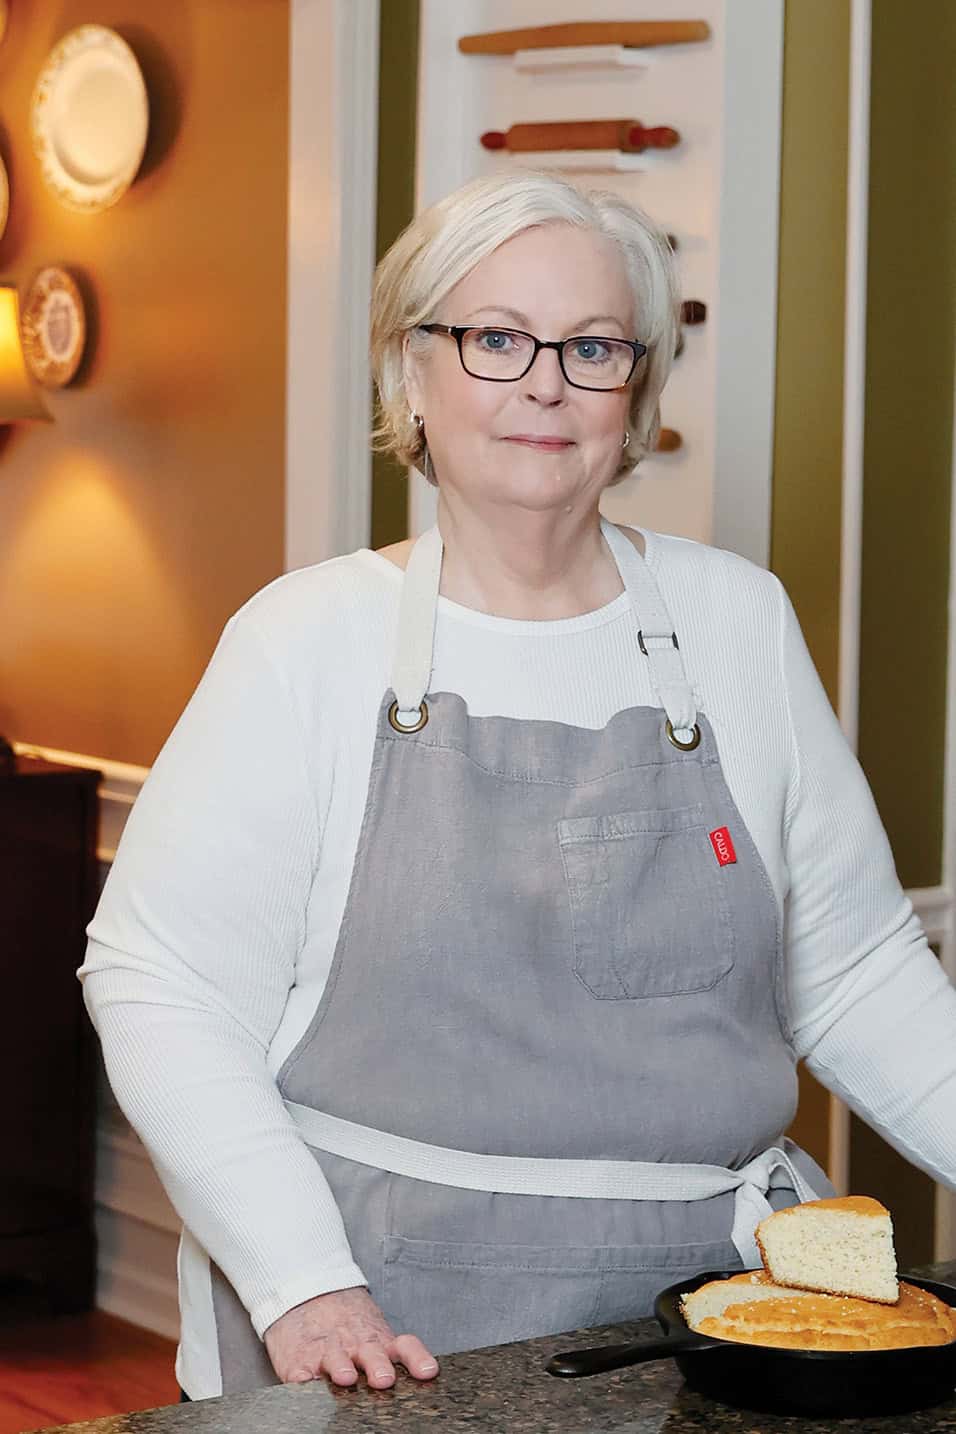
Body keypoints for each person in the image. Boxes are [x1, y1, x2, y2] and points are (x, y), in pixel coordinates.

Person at [79, 169, 956, 1402]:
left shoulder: (734, 622)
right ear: (411, 371)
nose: (544, 383)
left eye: (591, 347)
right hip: (380, 1318)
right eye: (494, 338)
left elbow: (855, 971)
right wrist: (301, 1284)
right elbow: (161, 984)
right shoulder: (306, 640)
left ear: (633, 391)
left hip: (708, 1315)